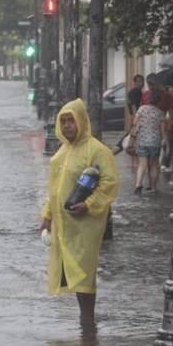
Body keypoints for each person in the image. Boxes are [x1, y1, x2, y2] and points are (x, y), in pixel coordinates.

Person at [39, 99, 120, 330]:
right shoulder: (63, 151)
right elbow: (54, 189)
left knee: (84, 273)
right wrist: (47, 216)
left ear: (81, 121)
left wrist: (90, 204)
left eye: (71, 121)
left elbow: (109, 183)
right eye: (63, 121)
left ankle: (87, 323)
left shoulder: (97, 150)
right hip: (64, 224)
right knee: (72, 272)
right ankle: (86, 325)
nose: (66, 126)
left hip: (85, 224)